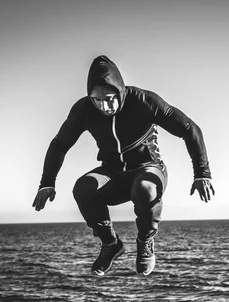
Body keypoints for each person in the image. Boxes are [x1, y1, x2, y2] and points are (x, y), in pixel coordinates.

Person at [32, 55, 214, 276]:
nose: (104, 106)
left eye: (109, 98)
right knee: (83, 188)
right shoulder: (84, 110)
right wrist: (47, 183)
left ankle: (145, 242)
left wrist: (202, 173)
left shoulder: (144, 101)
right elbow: (59, 144)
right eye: (96, 100)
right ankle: (111, 244)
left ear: (119, 91)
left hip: (148, 168)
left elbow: (189, 128)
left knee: (145, 187)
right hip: (113, 173)